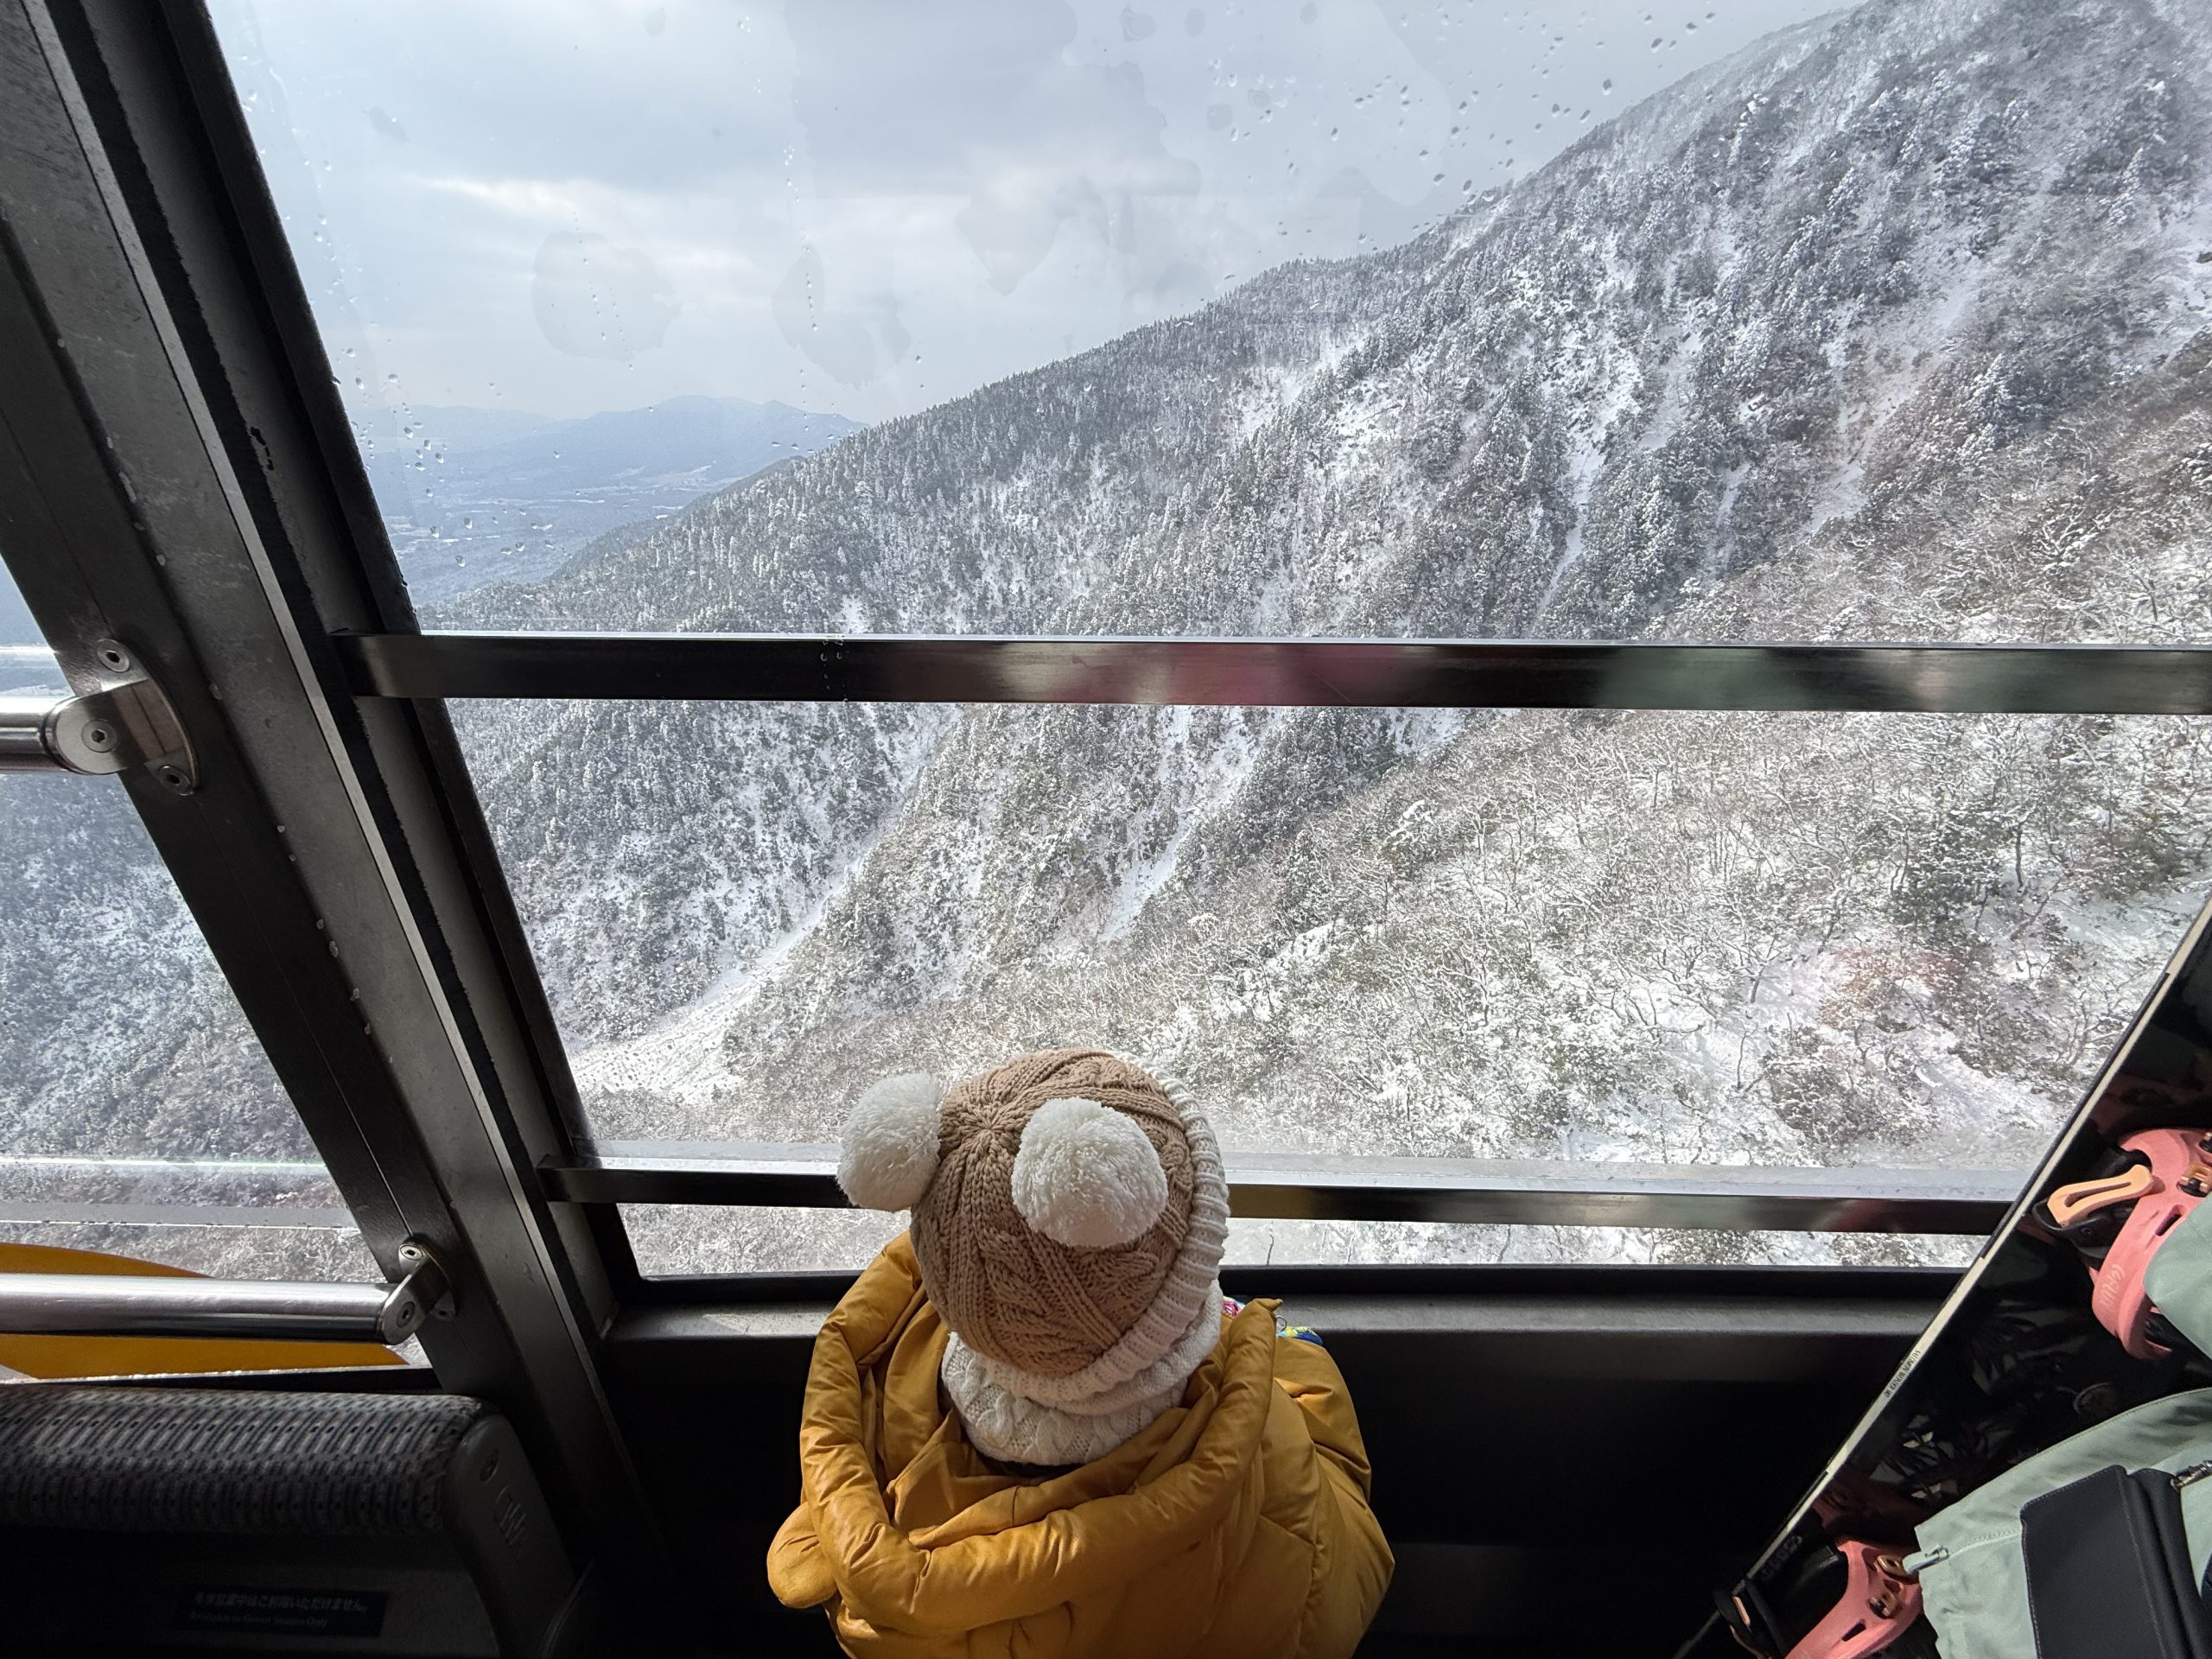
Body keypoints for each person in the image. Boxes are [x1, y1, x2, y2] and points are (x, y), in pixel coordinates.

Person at [768, 1048, 1395, 1656]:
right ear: (1172, 1312)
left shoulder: (887, 1371)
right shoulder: (1247, 1482)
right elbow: (1340, 1581)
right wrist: (1288, 1354)